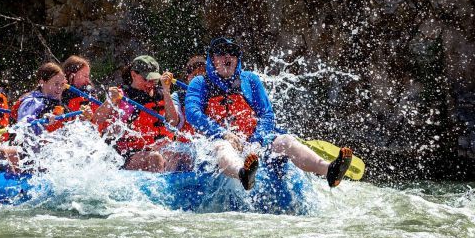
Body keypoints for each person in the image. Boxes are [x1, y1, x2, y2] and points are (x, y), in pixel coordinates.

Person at [185, 37, 352, 190]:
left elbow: (266, 114)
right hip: (218, 142)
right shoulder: (199, 83)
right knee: (223, 146)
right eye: (221, 53)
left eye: (233, 53)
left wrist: (258, 140)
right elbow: (192, 114)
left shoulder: (250, 80)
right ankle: (243, 174)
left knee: (286, 140)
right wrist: (223, 133)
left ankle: (329, 170)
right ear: (212, 59)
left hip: (253, 142)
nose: (227, 57)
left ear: (237, 59)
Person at [92, 55, 185, 172]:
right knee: (155, 158)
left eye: (153, 80)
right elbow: (96, 121)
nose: (150, 84)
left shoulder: (163, 94)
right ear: (133, 75)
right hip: (129, 155)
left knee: (181, 155)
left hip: (161, 149)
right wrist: (109, 101)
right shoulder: (122, 95)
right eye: (146, 79)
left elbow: (173, 123)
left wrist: (166, 90)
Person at [14, 62, 92, 135]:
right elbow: (23, 126)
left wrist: (82, 119)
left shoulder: (60, 104)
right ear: (42, 82)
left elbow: (71, 128)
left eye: (62, 84)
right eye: (56, 84)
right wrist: (43, 121)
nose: (59, 88)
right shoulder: (32, 101)